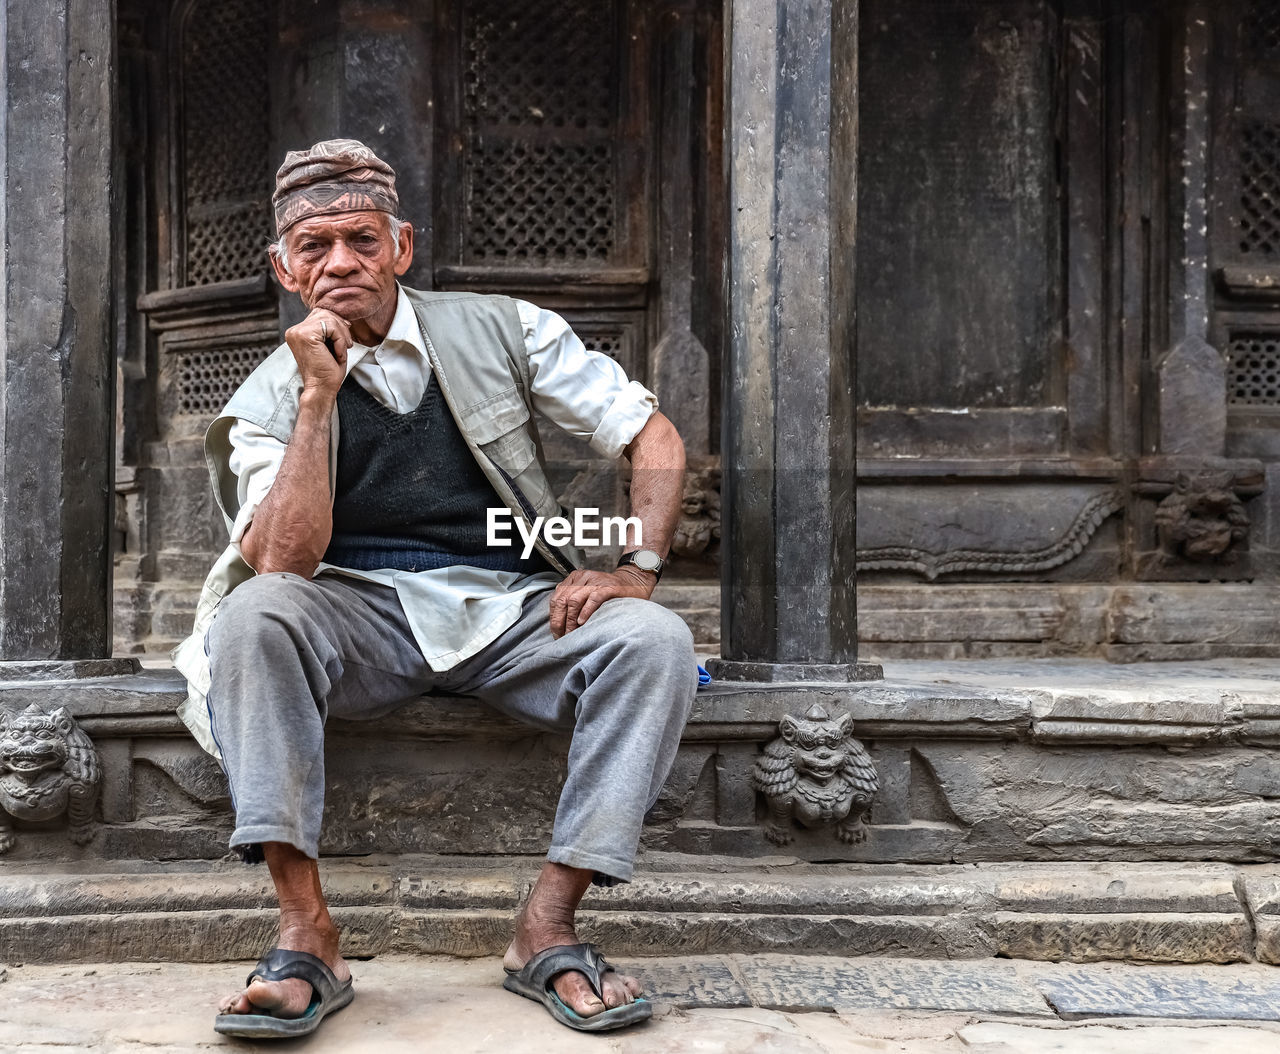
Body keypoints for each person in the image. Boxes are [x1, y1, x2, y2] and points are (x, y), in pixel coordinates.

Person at [171, 139, 698, 1038]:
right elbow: (285, 564)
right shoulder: (265, 398)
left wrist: (633, 568)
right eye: (315, 247)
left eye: (363, 240)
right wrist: (315, 400)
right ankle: (307, 938)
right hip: (357, 614)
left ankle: (547, 928)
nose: (341, 263)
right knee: (254, 616)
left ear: (402, 248)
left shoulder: (503, 327)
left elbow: (651, 435)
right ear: (283, 269)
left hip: (511, 604)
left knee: (655, 642)